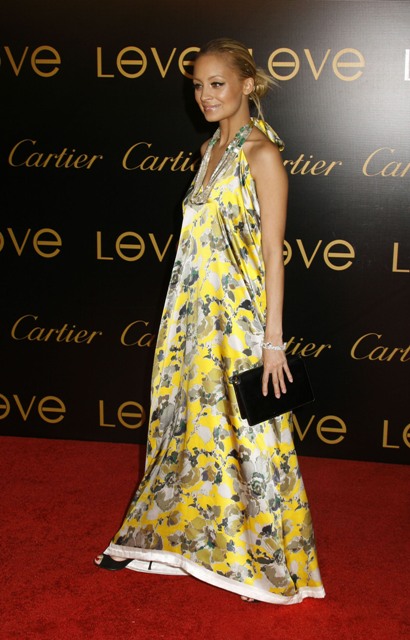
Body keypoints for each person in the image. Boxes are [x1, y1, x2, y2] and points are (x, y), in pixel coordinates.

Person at [95, 37, 325, 605]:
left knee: (251, 435)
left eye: (217, 84)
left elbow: (273, 253)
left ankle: (266, 560)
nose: (205, 95)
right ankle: (187, 539)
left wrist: (273, 341)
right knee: (189, 428)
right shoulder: (209, 149)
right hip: (191, 317)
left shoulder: (261, 156)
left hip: (240, 319)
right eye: (198, 86)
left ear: (247, 84)